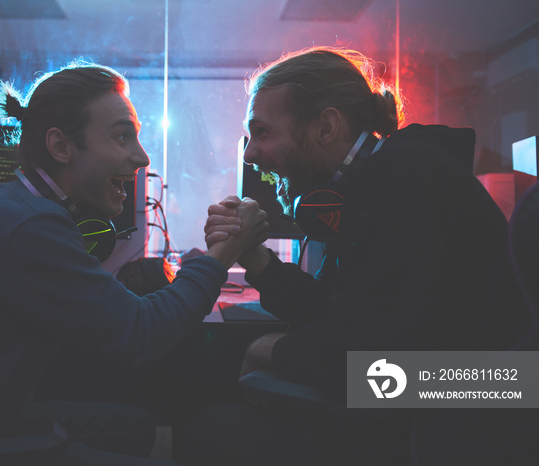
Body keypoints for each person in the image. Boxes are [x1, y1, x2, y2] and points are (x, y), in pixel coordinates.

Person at [0, 61, 268, 465]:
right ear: (60, 146)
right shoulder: (29, 225)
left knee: (131, 425)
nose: (142, 158)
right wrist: (223, 254)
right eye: (122, 137)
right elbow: (141, 336)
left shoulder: (18, 207)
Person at [183, 46, 526, 465]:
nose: (250, 154)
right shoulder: (379, 181)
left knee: (210, 428)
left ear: (326, 126)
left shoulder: (408, 181)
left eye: (263, 132)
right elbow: (340, 314)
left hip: (459, 402)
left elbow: (363, 362)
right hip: (425, 395)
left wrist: (268, 349)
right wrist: (256, 259)